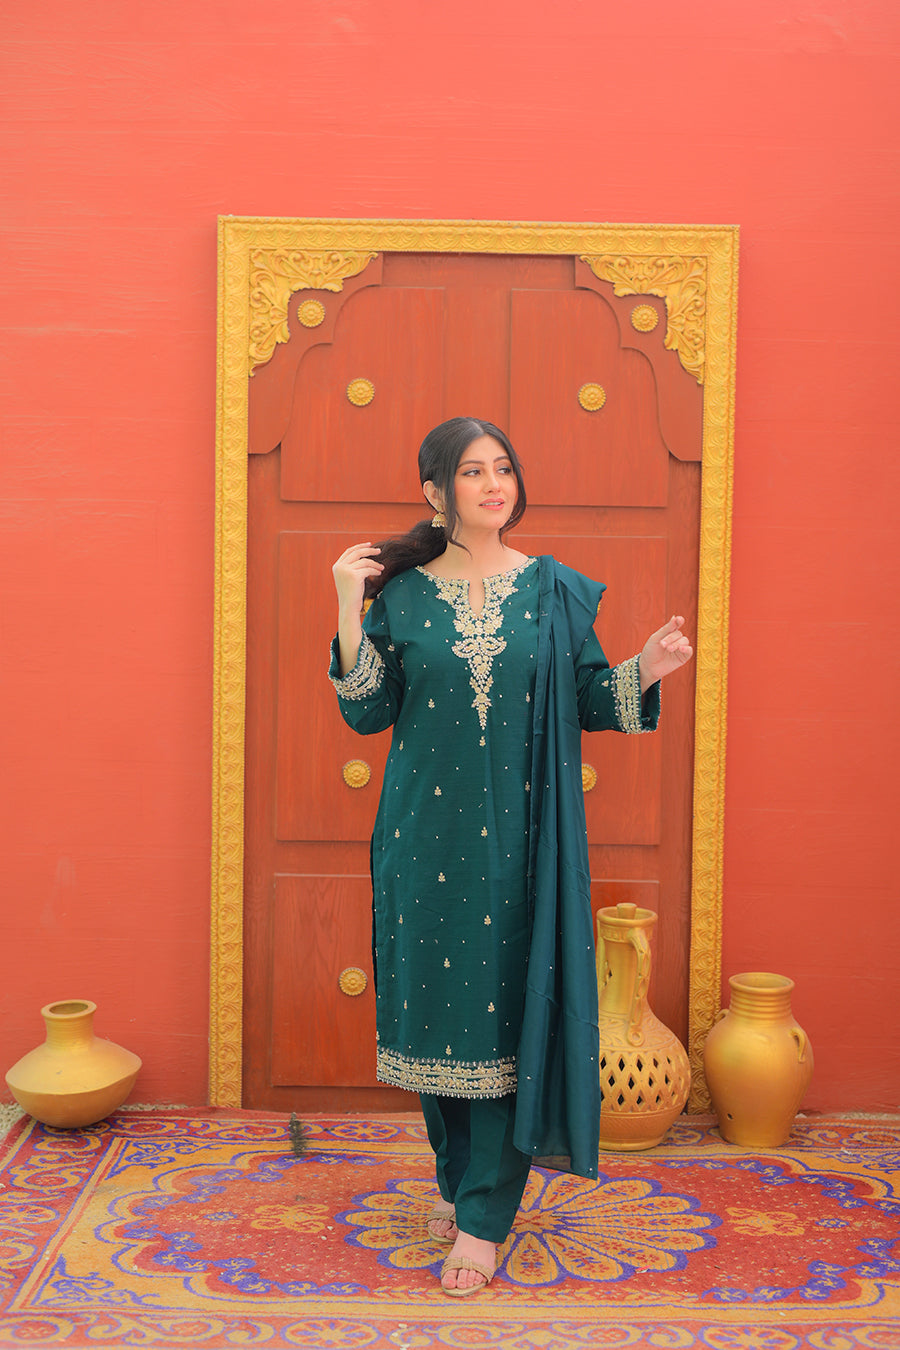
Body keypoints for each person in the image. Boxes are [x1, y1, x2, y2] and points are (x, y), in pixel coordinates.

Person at [329, 416, 693, 1296]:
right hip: (423, 837)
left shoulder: (550, 590)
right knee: (434, 1021)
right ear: (435, 491)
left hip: (524, 845)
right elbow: (367, 710)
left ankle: (484, 1219)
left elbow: (585, 699)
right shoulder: (402, 597)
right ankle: (461, 1181)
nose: (494, 485)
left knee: (500, 1027)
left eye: (503, 468)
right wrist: (347, 602)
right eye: (472, 472)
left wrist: (644, 668)